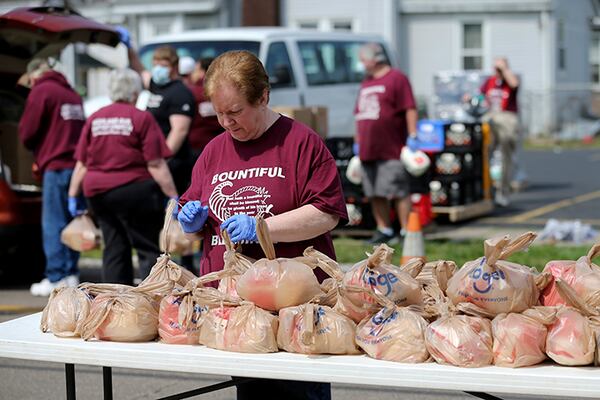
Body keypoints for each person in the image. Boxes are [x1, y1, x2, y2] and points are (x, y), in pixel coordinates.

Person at [176, 50, 347, 400]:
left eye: (235, 112)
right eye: (219, 113)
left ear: (264, 97)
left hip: (293, 313)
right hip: (237, 312)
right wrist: (190, 223)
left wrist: (263, 229)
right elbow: (193, 216)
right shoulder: (213, 151)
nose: (226, 122)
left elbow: (326, 211)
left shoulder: (301, 143)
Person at [67, 68, 178, 285]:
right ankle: (151, 295)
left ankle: (115, 299)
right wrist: (173, 195)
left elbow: (82, 164)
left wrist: (73, 195)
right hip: (135, 191)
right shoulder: (141, 118)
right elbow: (155, 163)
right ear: (135, 93)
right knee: (146, 246)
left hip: (99, 193)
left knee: (114, 246)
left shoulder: (95, 119)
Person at [18, 58, 85, 296]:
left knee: (54, 223)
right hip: (78, 168)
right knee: (72, 221)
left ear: (34, 75)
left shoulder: (42, 91)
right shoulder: (72, 93)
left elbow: (27, 131)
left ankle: (55, 276)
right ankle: (70, 273)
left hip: (55, 167)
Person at [354, 42, 419, 244]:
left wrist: (413, 135)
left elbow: (410, 108)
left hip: (391, 147)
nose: (361, 64)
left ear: (375, 59)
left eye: (363, 60)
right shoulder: (366, 82)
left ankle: (408, 231)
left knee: (398, 190)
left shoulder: (397, 78)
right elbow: (359, 114)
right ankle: (384, 229)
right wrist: (357, 141)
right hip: (367, 148)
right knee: (374, 191)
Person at [479, 57, 520, 207]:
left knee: (506, 157)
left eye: (500, 68)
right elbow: (480, 95)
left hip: (507, 118)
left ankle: (504, 190)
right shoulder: (489, 82)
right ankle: (486, 188)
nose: (497, 71)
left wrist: (504, 70)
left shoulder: (510, 81)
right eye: (496, 68)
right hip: (491, 117)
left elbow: (515, 84)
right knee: (484, 152)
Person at [185, 57, 223, 159]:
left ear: (202, 72)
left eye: (195, 70)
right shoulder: (224, 91)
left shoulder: (190, 92)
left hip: (195, 147)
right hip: (222, 144)